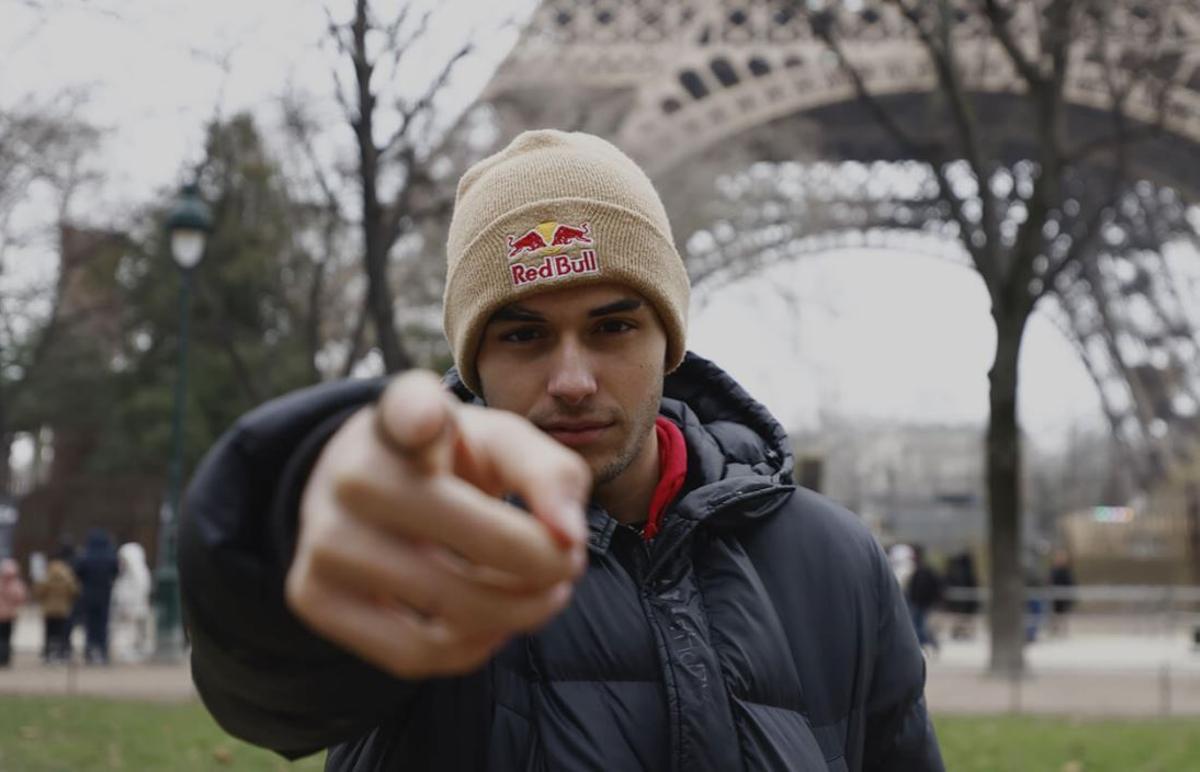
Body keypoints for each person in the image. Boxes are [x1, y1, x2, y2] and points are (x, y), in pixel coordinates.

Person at [180, 130, 944, 771]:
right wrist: (289, 515)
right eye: (523, 335)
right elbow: (274, 690)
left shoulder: (839, 560)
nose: (572, 380)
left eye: (613, 327)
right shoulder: (416, 546)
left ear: (671, 342)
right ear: (474, 363)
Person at [74, 529, 118, 665]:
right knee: (102, 624)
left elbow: (78, 572)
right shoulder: (110, 556)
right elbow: (115, 571)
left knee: (90, 624)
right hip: (104, 594)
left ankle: (90, 649)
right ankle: (102, 651)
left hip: (89, 594)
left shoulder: (86, 556)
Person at [34, 547, 79, 663]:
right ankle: (60, 652)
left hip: (49, 609)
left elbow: (39, 591)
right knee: (61, 633)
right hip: (63, 609)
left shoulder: (47, 574)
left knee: (49, 632)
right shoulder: (67, 575)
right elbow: (74, 591)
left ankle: (48, 653)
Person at [111, 542, 153, 662]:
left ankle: (134, 650)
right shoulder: (124, 575)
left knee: (134, 632)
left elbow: (142, 590)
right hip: (125, 609)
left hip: (134, 608)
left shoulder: (140, 574)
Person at [905, 545, 943, 655]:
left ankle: (924, 645)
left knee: (920, 626)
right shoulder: (919, 572)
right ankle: (924, 645)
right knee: (919, 626)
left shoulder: (924, 572)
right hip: (918, 602)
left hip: (923, 603)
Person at [943, 551, 979, 640]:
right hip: (961, 601)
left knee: (961, 618)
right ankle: (960, 632)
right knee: (961, 618)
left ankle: (961, 632)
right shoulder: (965, 570)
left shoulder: (957, 570)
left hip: (961, 601)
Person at [0, 558, 28, 666]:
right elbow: (20, 598)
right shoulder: (16, 584)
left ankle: (3, 657)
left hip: (4, 615)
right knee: (7, 637)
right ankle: (5, 658)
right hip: (10, 615)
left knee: (3, 637)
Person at [1048, 548, 1076, 637]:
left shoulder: (1067, 571)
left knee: (1064, 616)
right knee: (1055, 616)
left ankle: (1064, 633)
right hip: (1055, 598)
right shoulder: (1053, 570)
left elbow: (1071, 583)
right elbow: (1050, 582)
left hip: (1064, 597)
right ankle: (1055, 632)